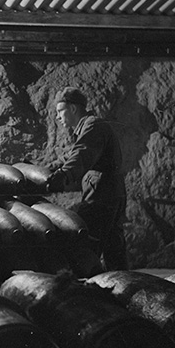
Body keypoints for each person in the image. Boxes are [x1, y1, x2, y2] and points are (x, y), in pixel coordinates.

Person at [46, 87, 128, 271]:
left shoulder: (93, 126)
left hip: (102, 195)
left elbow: (81, 156)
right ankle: (123, 290)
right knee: (113, 247)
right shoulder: (88, 128)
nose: (58, 117)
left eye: (60, 111)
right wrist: (43, 168)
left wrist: (63, 176)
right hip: (110, 192)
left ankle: (88, 292)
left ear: (73, 109)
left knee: (85, 245)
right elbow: (70, 157)